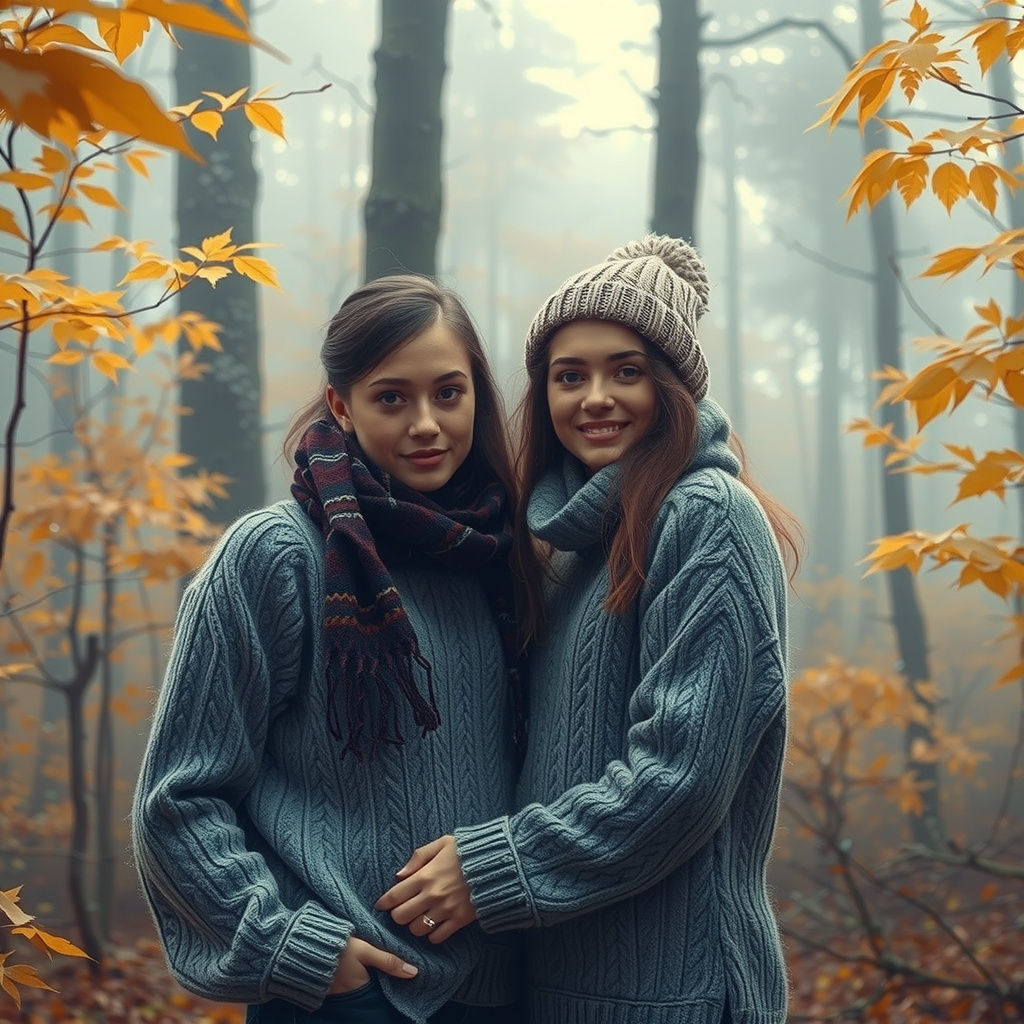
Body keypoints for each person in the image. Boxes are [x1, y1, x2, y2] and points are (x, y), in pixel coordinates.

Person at [375, 236, 800, 1023]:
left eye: (626, 371)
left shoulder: (706, 519)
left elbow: (680, 779)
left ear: (672, 388)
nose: (595, 397)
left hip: (676, 994)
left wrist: (491, 869)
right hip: (561, 988)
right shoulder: (570, 546)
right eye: (570, 376)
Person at [132, 274, 539, 1024]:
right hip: (347, 997)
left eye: (448, 393)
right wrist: (300, 950)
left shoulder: (501, 556)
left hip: (504, 992)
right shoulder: (276, 555)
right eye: (392, 398)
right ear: (340, 406)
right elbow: (179, 799)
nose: (426, 423)